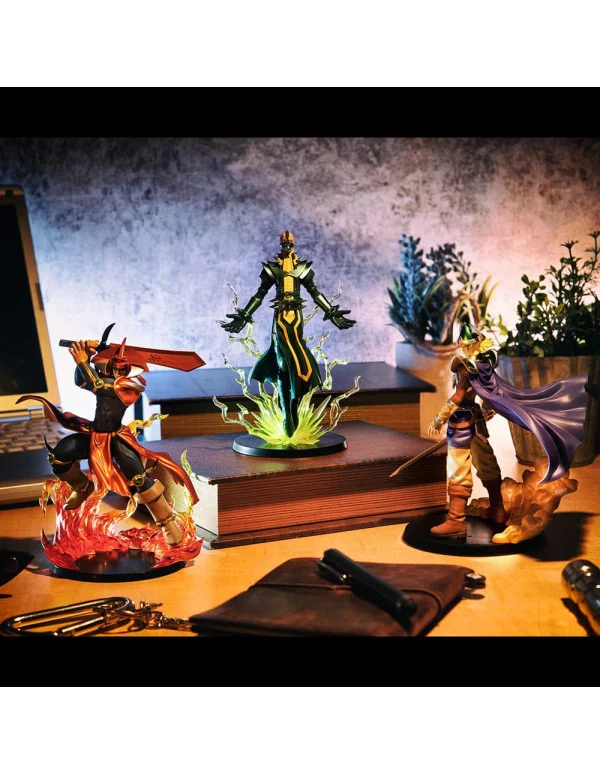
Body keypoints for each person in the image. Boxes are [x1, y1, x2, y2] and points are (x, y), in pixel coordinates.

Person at [18, 338, 200, 546]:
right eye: (112, 365)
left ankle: (167, 524)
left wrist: (83, 361)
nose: (113, 369)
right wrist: (85, 359)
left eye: (118, 366)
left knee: (139, 478)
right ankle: (81, 486)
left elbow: (97, 385)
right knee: (59, 455)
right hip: (95, 437)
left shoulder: (128, 386)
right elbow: (82, 382)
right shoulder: (105, 381)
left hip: (116, 440)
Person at [428, 322, 588, 538]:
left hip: (461, 423)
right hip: (476, 422)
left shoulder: (467, 366)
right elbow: (488, 395)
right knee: (485, 463)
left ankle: (456, 521)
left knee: (458, 469)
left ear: (468, 344)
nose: (463, 346)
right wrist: (486, 411)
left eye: (465, 343)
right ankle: (497, 510)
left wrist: (439, 418)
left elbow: (459, 396)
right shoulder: (484, 365)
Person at [220, 231, 356, 437]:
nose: (286, 244)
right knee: (283, 364)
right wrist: (244, 316)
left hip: (296, 320)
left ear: (293, 244)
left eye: (289, 242)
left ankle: (294, 404)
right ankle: (286, 411)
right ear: (280, 243)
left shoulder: (302, 269)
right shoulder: (272, 269)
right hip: (280, 320)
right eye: (284, 242)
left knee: (299, 363)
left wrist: (331, 312)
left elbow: (314, 292)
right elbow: (260, 294)